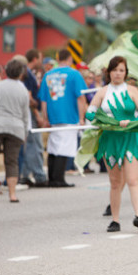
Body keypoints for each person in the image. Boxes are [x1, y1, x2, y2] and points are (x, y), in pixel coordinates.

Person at [86, 56, 138, 233]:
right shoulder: (102, 92)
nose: (118, 74)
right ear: (109, 72)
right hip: (110, 140)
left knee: (132, 180)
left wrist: (131, 122)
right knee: (114, 182)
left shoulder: (132, 90)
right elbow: (90, 113)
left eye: (121, 70)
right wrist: (103, 119)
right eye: (114, 70)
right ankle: (115, 220)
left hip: (131, 138)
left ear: (125, 72)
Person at [38, 49, 87, 187]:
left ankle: (52, 178)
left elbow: (44, 100)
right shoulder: (74, 74)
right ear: (70, 58)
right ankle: (58, 179)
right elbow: (81, 97)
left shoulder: (48, 75)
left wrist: (46, 118)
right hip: (69, 116)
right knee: (64, 148)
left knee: (53, 148)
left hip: (53, 116)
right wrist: (81, 117)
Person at [0, 59, 29, 202]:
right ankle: (12, 194)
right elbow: (25, 114)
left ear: (6, 71)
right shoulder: (23, 90)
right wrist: (25, 133)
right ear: (20, 74)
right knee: (12, 161)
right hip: (16, 127)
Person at [19, 49, 49, 187]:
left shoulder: (27, 75)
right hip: (31, 113)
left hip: (26, 113)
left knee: (29, 144)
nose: (41, 61)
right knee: (35, 144)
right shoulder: (28, 76)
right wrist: (37, 114)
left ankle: (25, 174)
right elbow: (28, 97)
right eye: (40, 58)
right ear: (35, 59)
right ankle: (39, 175)